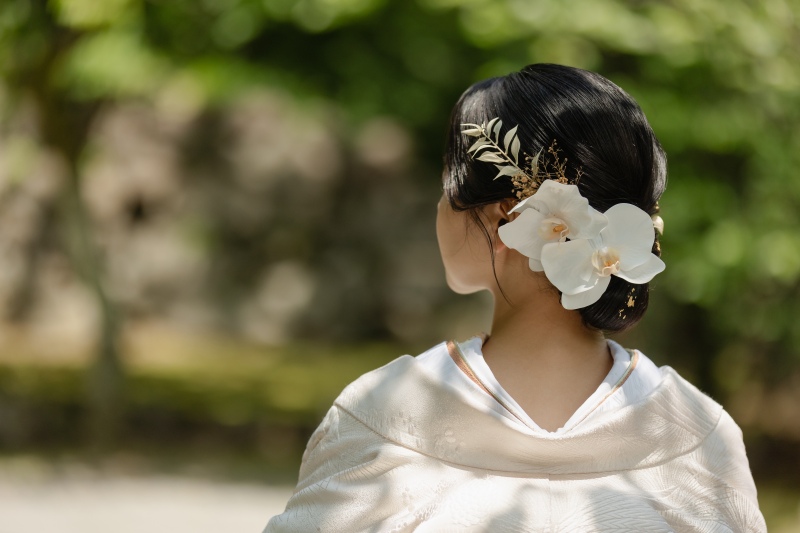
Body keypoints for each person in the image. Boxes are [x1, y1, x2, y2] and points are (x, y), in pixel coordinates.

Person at [264, 64, 766, 532]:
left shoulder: (383, 416)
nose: (440, 207)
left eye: (447, 184)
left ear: (511, 216)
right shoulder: (697, 435)